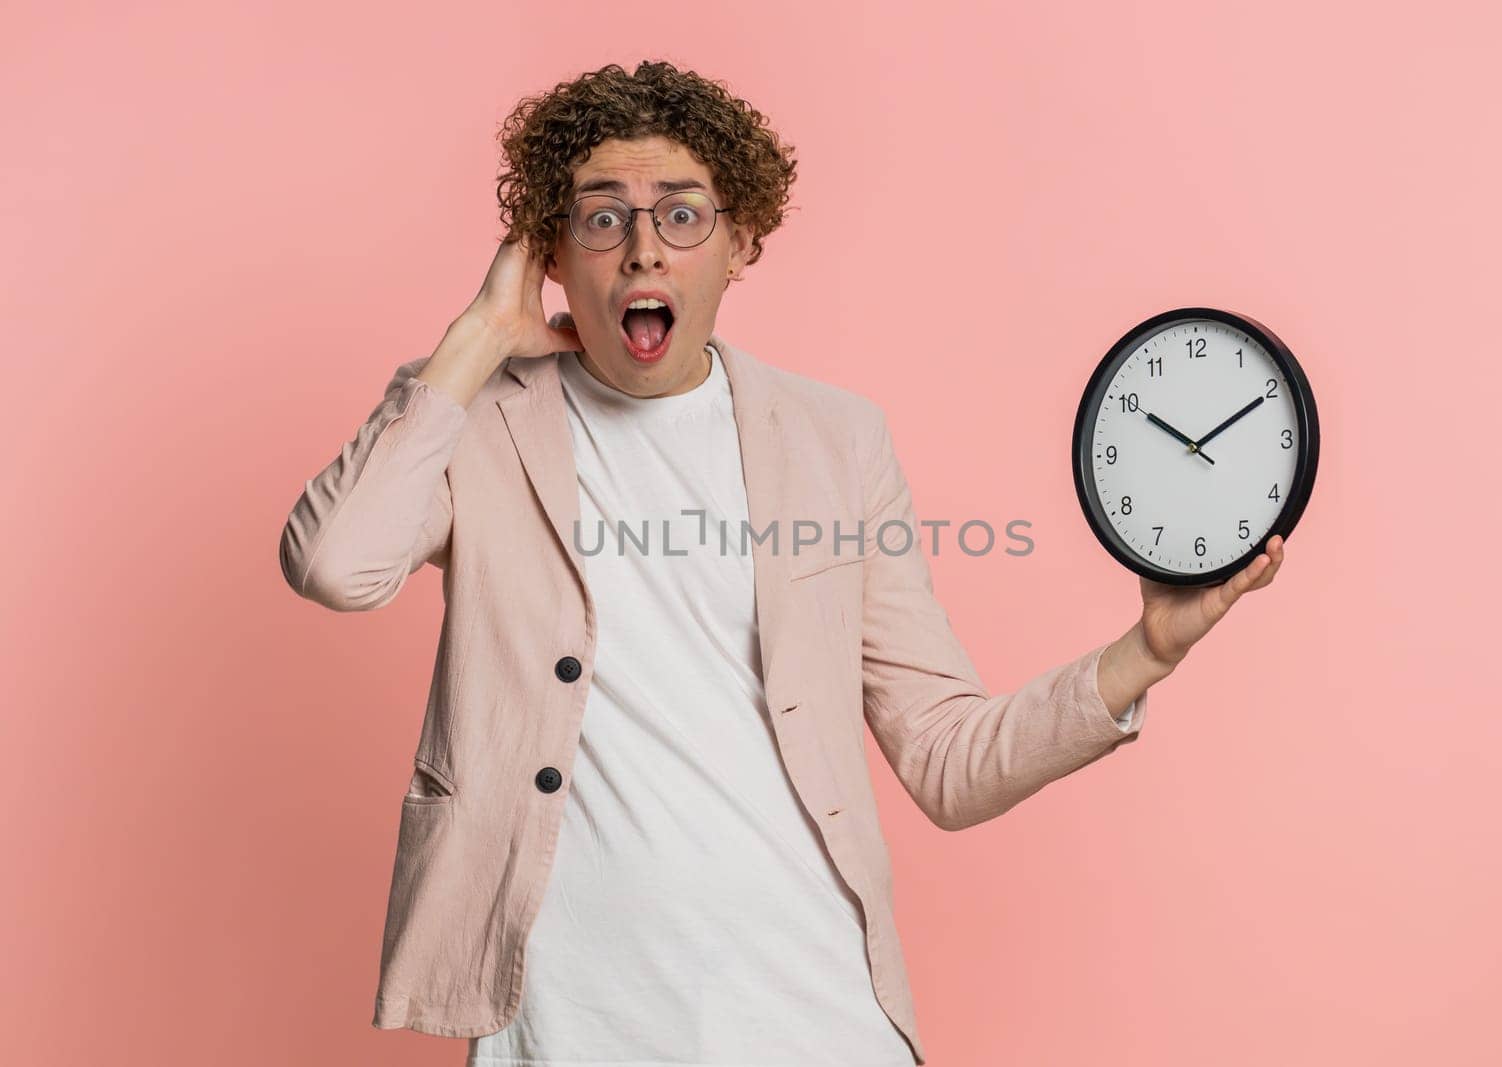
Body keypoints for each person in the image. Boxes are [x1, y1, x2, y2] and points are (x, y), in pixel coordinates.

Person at [278, 60, 1285, 1067]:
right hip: (570, 1023)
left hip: (812, 1015)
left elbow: (945, 757)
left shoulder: (835, 439)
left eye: (682, 215)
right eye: (600, 218)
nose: (642, 251)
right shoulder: (473, 419)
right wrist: (475, 340)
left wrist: (1146, 650)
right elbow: (334, 563)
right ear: (549, 247)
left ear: (741, 240)